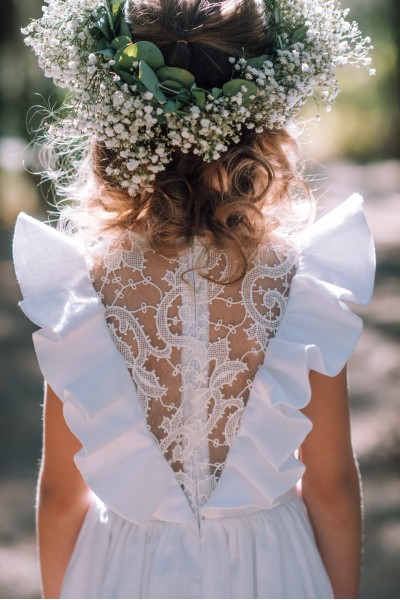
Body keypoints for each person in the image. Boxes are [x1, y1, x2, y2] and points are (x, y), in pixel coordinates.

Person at [14, 0, 376, 598]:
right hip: (273, 567)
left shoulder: (84, 287)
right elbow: (331, 485)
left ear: (117, 121)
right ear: (259, 121)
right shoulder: (299, 282)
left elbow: (59, 495)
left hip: (122, 569)